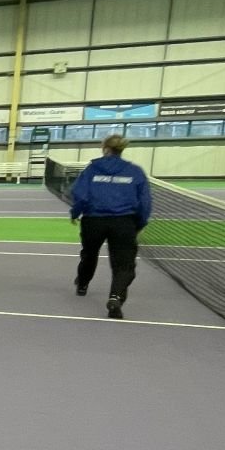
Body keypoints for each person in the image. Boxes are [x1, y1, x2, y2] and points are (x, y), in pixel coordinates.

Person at [70, 134, 152, 319]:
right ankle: (115, 297)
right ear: (121, 149)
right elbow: (145, 202)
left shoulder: (92, 170)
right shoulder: (135, 171)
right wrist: (139, 223)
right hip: (124, 223)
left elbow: (79, 194)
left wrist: (75, 213)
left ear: (105, 148)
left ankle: (82, 284)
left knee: (89, 255)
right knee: (124, 264)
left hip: (93, 221)